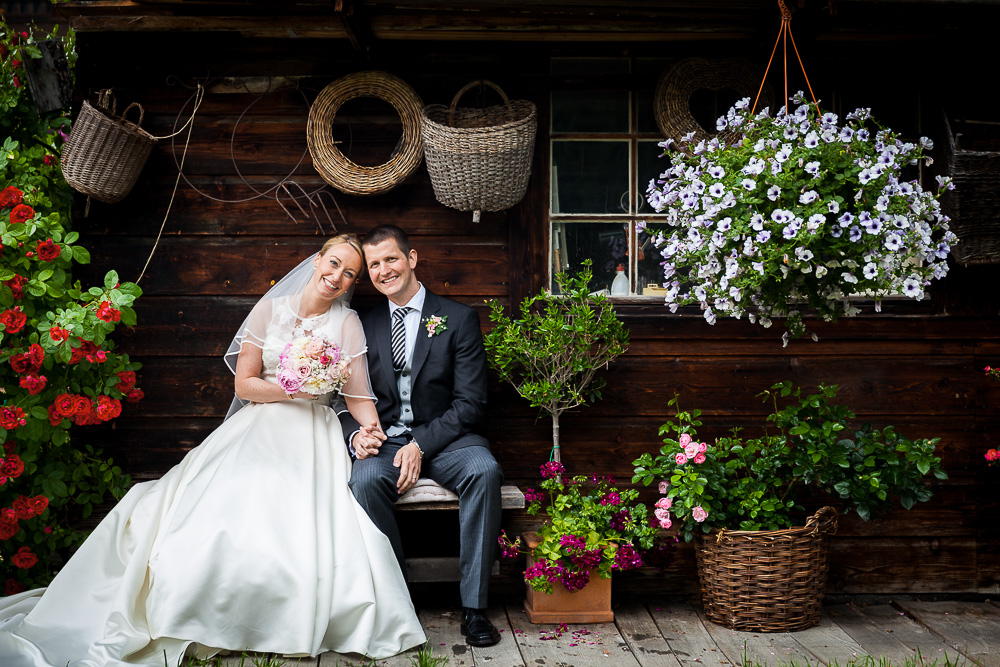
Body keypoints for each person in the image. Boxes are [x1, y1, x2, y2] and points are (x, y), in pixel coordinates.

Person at [0, 234, 426, 666]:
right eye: (333, 264)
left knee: (301, 521)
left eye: (349, 273)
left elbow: (356, 394)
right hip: (259, 424)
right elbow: (244, 383)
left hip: (313, 435)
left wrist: (371, 430)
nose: (338, 277)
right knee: (213, 511)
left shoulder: (346, 322)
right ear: (317, 260)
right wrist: (294, 386)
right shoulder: (271, 309)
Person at [340, 224, 503, 648]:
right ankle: (399, 599)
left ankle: (474, 607)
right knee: (363, 479)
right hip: (386, 441)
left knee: (484, 471)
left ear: (411, 259)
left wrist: (421, 444)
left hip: (449, 441)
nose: (383, 270)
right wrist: (355, 435)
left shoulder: (458, 318)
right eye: (374, 265)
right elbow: (341, 396)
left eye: (390, 259)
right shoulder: (361, 323)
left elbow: (471, 403)